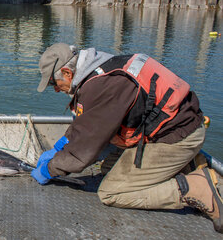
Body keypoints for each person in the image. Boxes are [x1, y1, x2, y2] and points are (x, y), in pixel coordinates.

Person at [31, 42, 222, 233]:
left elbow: (82, 154)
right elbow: (88, 124)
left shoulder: (103, 87)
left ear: (67, 73)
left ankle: (194, 187)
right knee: (109, 168)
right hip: (173, 128)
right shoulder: (103, 69)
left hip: (176, 138)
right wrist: (60, 146)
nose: (56, 90)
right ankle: (186, 165)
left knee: (112, 192)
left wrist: (50, 169)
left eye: (53, 84)